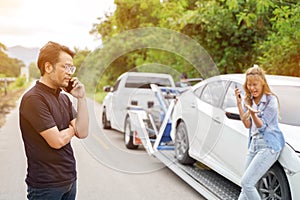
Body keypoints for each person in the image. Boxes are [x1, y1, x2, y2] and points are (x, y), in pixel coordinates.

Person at [19, 41, 89, 200]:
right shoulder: (34, 99)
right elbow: (56, 141)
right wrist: (73, 129)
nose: (70, 72)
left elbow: (83, 132)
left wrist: (81, 98)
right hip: (45, 186)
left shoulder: (64, 98)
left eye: (72, 68)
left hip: (69, 180)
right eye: (65, 67)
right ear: (48, 67)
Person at [235, 65, 285, 200]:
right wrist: (240, 104)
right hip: (254, 145)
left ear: (262, 82)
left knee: (247, 183)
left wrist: (253, 113)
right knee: (245, 187)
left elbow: (262, 126)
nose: (252, 88)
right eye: (249, 85)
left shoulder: (271, 100)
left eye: (255, 84)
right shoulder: (249, 100)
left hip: (269, 146)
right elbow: (247, 124)